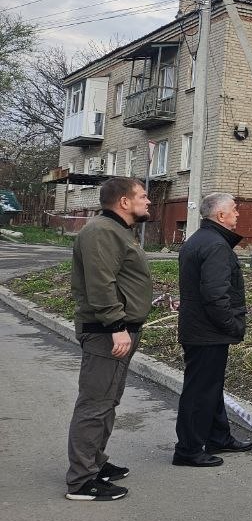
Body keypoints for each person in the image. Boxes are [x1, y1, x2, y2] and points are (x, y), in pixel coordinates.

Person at [65, 176, 153, 501]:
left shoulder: (118, 231)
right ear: (124, 202)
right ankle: (81, 481)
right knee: (95, 404)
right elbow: (101, 283)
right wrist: (116, 326)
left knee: (108, 401)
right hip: (107, 333)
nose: (148, 201)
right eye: (142, 196)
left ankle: (95, 462)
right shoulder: (101, 231)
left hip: (119, 331)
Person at [173, 192, 252, 467]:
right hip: (207, 332)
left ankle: (218, 437)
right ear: (220, 215)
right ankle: (188, 450)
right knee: (200, 392)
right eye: (234, 209)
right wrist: (232, 325)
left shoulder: (200, 239)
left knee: (210, 387)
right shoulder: (216, 245)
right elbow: (215, 295)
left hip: (200, 329)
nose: (237, 213)